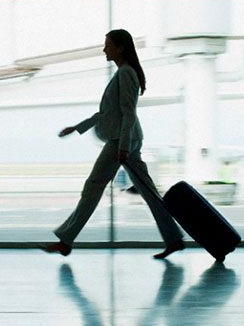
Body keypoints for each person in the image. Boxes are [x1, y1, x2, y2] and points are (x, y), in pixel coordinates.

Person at [41, 29, 184, 259]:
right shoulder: (123, 73)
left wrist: (123, 147)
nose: (104, 49)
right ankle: (173, 238)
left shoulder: (126, 74)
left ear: (120, 48)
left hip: (121, 141)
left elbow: (128, 113)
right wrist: (77, 128)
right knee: (146, 192)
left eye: (108, 44)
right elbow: (106, 113)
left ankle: (66, 240)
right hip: (125, 140)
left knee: (94, 186)